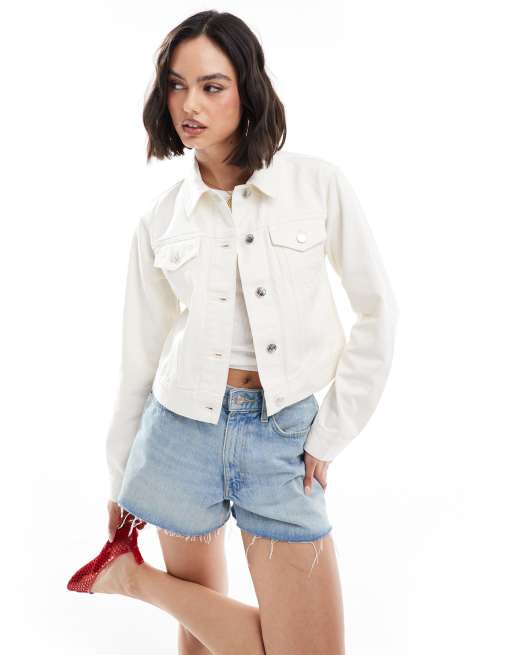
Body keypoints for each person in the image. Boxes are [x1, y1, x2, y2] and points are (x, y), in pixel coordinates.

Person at [67, 10, 399, 655]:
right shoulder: (161, 218)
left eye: (211, 86)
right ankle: (130, 575)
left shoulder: (316, 184)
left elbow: (377, 311)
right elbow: (138, 359)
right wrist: (120, 479)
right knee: (202, 649)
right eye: (176, 85)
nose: (189, 104)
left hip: (284, 435)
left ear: (247, 89)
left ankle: (131, 580)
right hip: (179, 434)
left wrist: (331, 433)